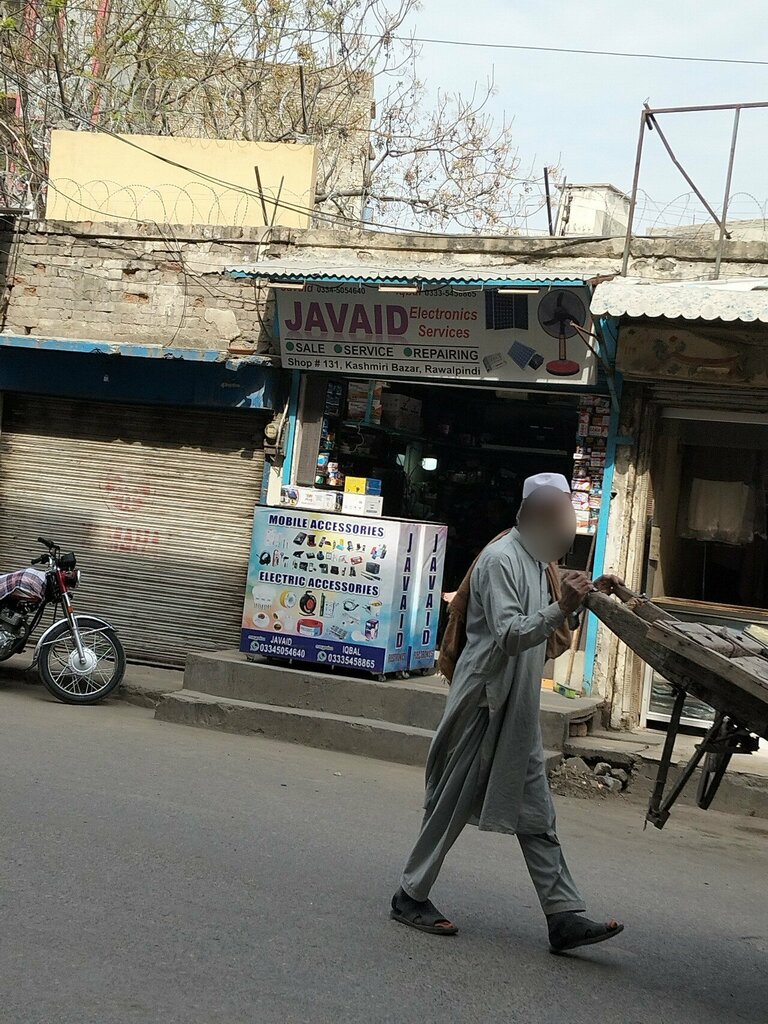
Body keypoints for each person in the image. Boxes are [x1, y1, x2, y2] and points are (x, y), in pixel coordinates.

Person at [390, 472, 625, 954]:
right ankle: (409, 894)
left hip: (517, 709)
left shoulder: (542, 565)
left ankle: (563, 915)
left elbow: (549, 626)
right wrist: (563, 607)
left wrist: (588, 593)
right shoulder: (501, 560)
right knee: (451, 803)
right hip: (486, 701)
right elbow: (511, 634)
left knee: (538, 814)